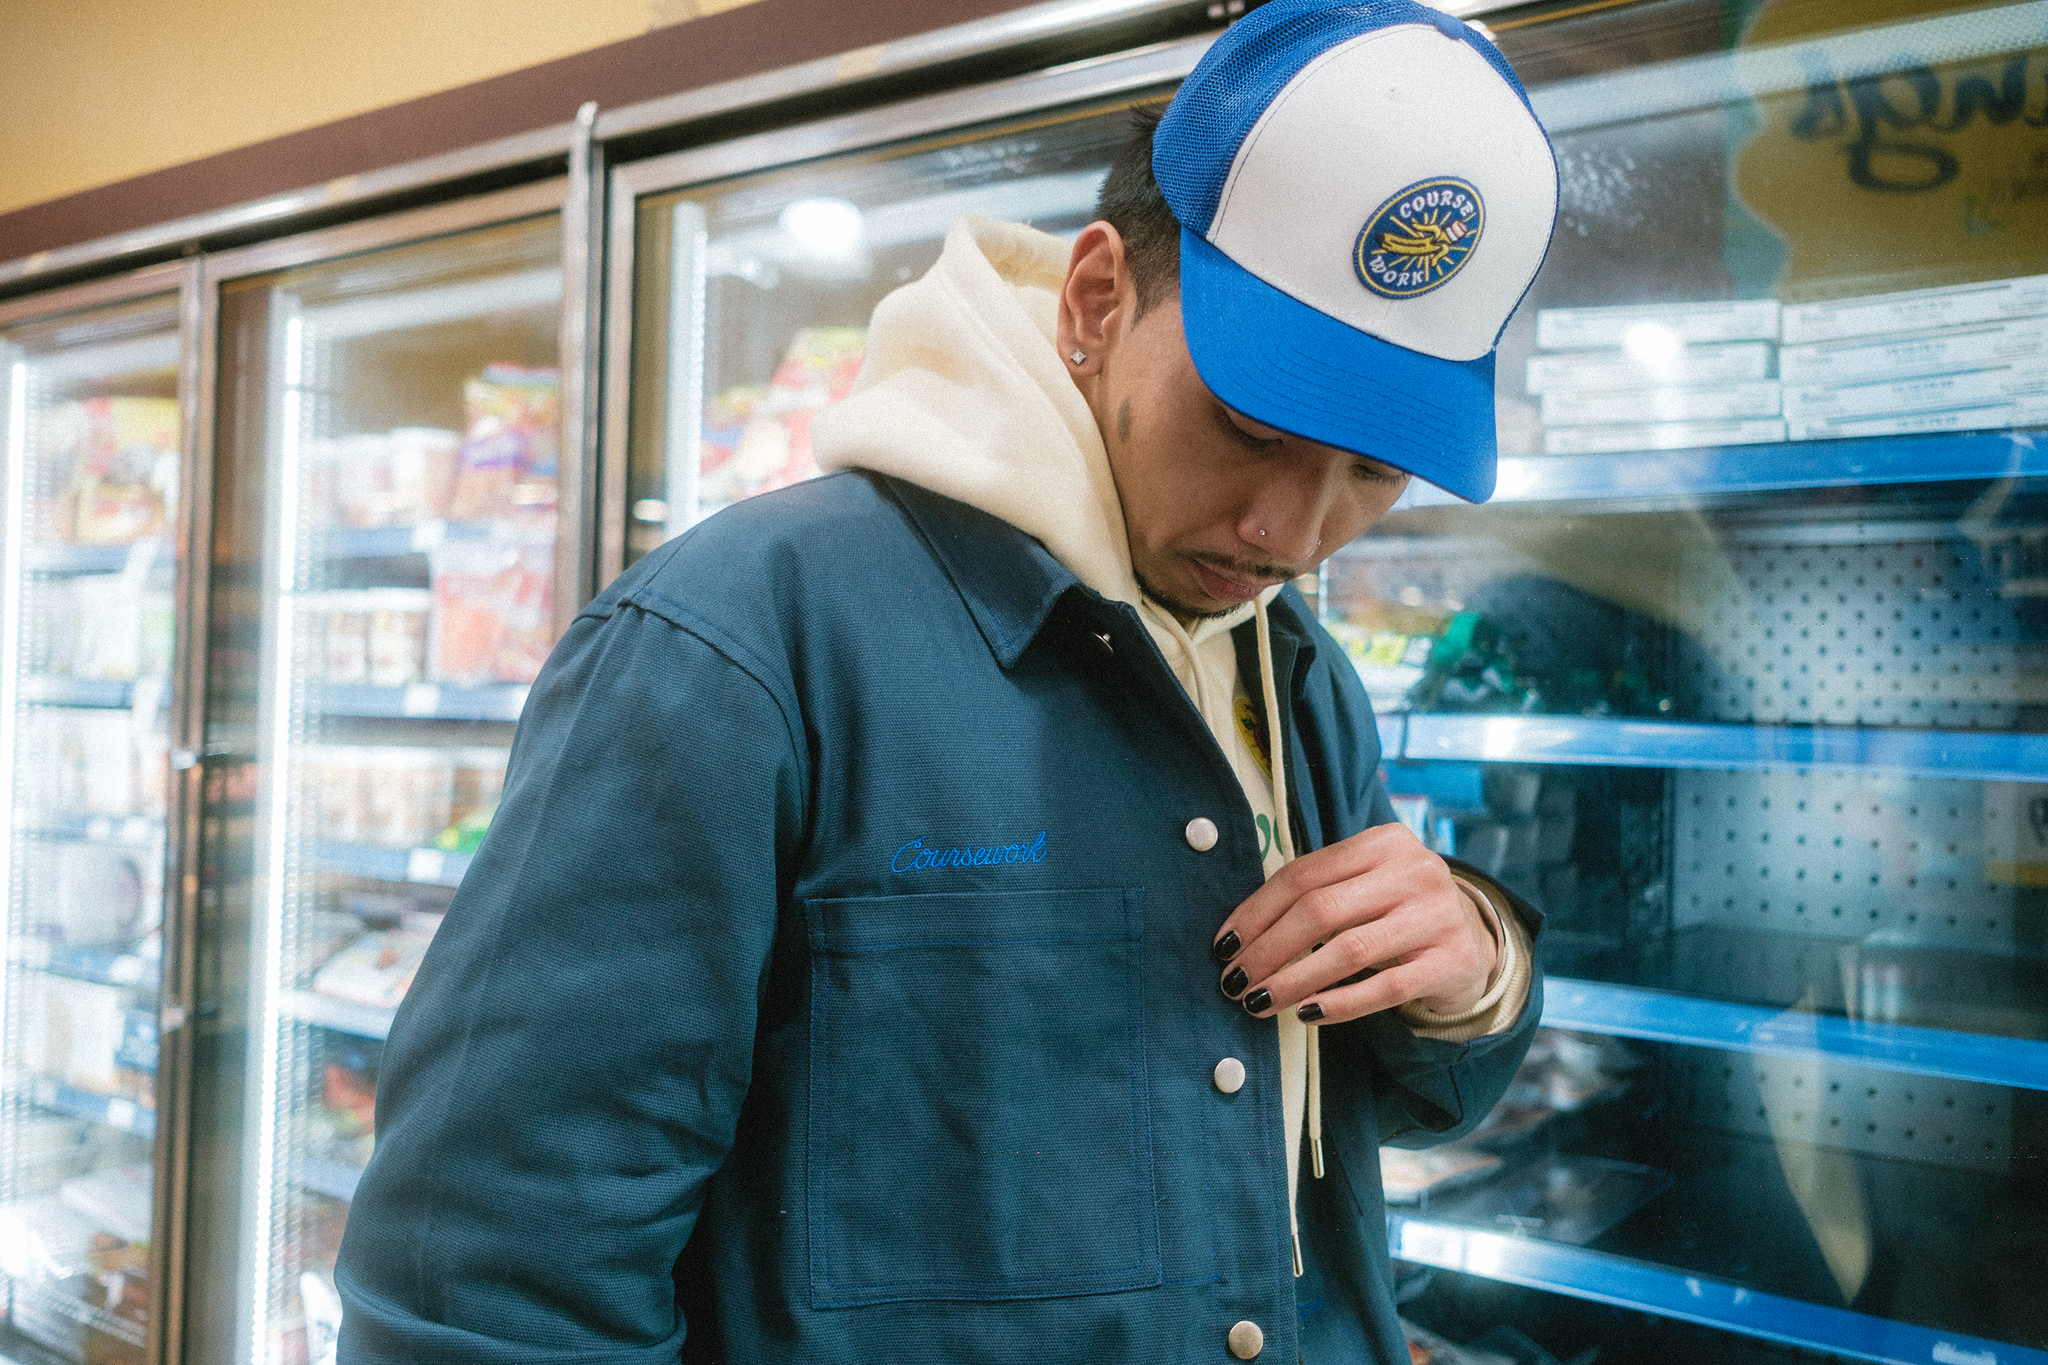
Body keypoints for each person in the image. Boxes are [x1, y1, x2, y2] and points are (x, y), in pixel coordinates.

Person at [335, 2, 1560, 1361]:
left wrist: (1475, 971)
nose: (1294, 534)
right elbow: (484, 1279)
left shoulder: (1295, 675)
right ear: (1098, 300)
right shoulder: (737, 644)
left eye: (1372, 471)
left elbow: (1383, 1102)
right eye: (1251, 429)